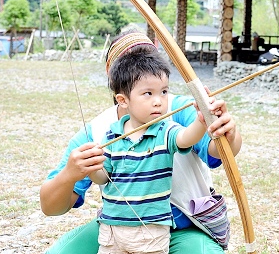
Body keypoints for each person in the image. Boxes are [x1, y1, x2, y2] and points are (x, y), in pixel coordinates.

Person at [40, 31, 241, 254]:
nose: (157, 98)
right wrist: (70, 173)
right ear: (116, 83)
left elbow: (219, 150)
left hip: (184, 229)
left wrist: (226, 132)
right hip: (117, 229)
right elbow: (50, 206)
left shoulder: (179, 110)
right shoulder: (97, 131)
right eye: (132, 66)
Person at [89, 49, 209, 253]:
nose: (159, 101)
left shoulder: (166, 130)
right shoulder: (112, 135)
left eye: (163, 91)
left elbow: (187, 137)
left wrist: (202, 119)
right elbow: (103, 177)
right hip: (111, 230)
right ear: (123, 100)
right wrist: (91, 167)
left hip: (151, 231)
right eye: (148, 93)